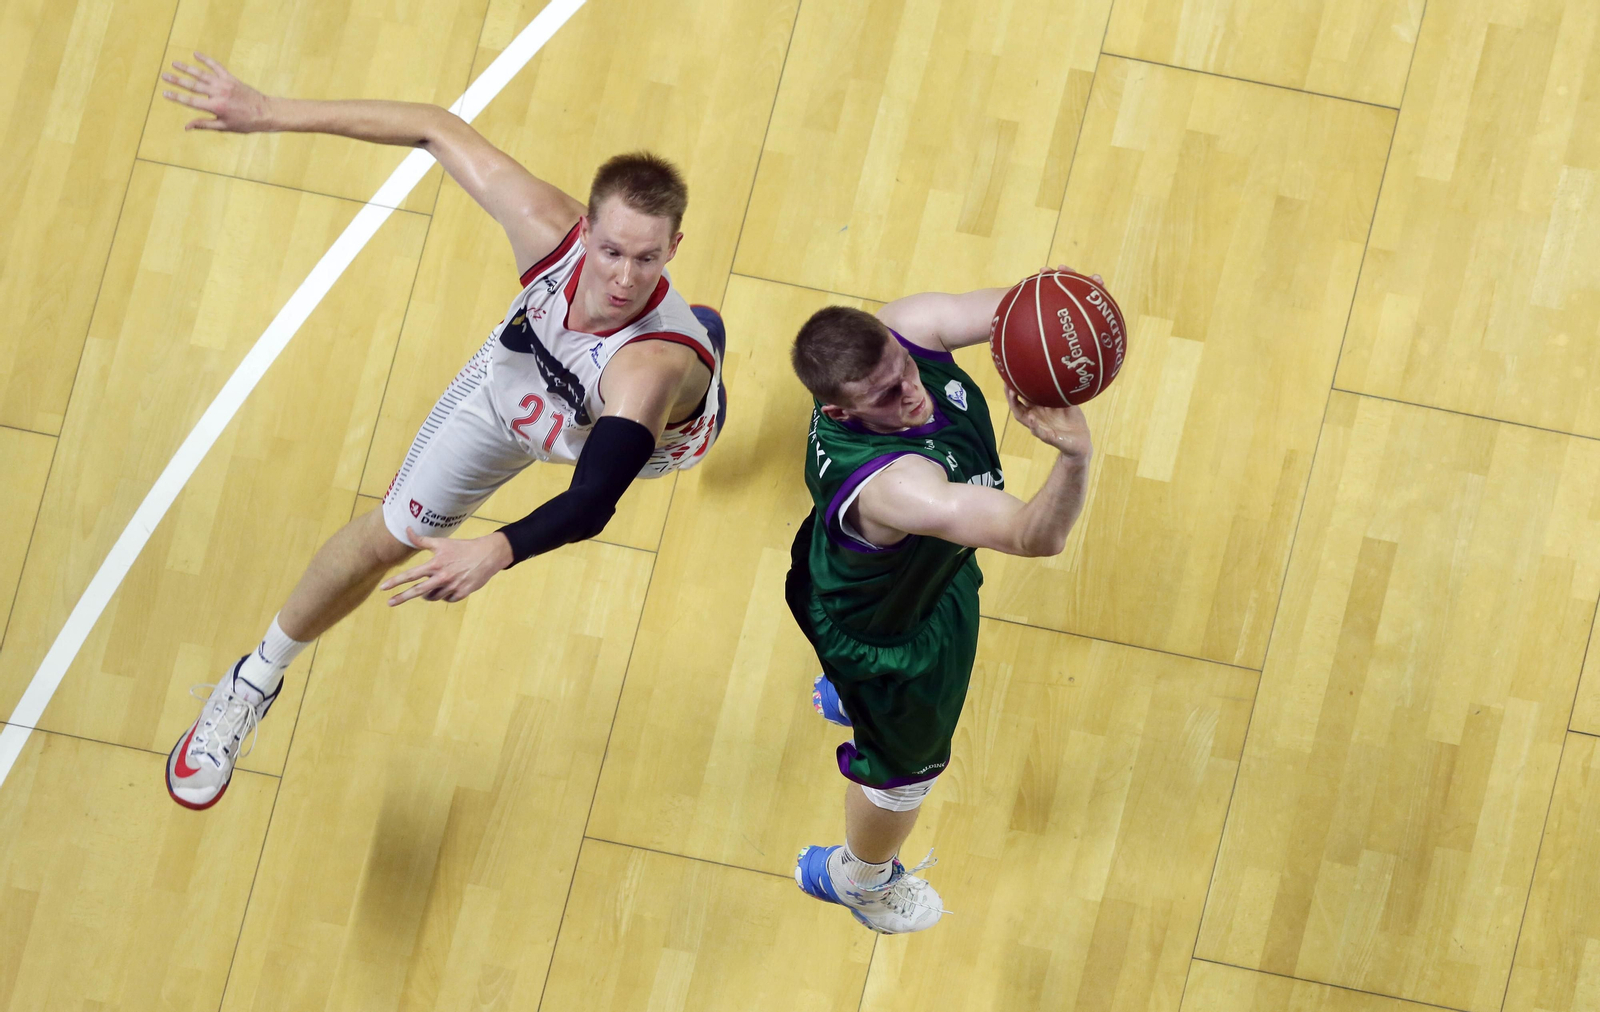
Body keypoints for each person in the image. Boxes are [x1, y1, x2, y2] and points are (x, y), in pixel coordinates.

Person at [158, 54, 727, 810]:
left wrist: (496, 548)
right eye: (612, 251)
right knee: (389, 535)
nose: (624, 278)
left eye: (648, 259)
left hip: (630, 432)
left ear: (675, 249)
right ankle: (254, 678)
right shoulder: (545, 229)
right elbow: (433, 127)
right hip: (514, 390)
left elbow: (592, 501)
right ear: (584, 227)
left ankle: (706, 357)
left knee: (689, 406)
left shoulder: (648, 367)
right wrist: (270, 112)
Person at [785, 281, 1093, 933]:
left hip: (885, 579)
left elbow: (1018, 308)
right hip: (889, 643)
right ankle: (859, 878)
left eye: (903, 368)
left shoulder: (906, 324)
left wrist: (1063, 301)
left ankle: (853, 699)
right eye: (885, 396)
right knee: (905, 777)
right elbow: (1034, 536)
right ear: (840, 413)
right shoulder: (900, 489)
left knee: (876, 660)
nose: (910, 391)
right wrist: (1074, 455)